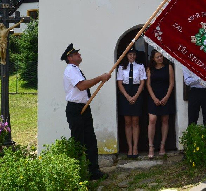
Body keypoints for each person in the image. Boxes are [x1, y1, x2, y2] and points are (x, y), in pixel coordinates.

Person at [61, 43, 111, 180]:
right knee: (78, 141)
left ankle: (93, 171)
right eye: (77, 54)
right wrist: (100, 78)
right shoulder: (70, 69)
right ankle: (78, 173)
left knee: (90, 141)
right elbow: (82, 86)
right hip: (75, 109)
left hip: (84, 108)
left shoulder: (76, 69)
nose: (80, 55)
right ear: (70, 57)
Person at [116, 47, 147, 158]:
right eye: (130, 55)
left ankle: (135, 147)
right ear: (127, 56)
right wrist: (128, 97)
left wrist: (136, 96)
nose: (132, 57)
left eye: (134, 54)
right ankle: (129, 147)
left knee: (135, 121)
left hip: (136, 92)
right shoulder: (121, 67)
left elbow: (142, 82)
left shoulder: (140, 67)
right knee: (127, 122)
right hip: (125, 93)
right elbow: (119, 83)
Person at [146, 50, 175, 158]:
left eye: (161, 56)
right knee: (152, 120)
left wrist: (167, 97)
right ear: (153, 58)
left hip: (166, 96)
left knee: (165, 120)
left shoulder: (169, 67)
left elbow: (172, 83)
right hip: (153, 97)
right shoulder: (150, 69)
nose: (160, 58)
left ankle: (162, 145)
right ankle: (151, 146)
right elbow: (148, 84)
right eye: (157, 57)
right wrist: (154, 98)